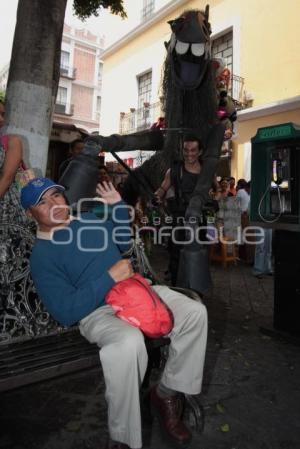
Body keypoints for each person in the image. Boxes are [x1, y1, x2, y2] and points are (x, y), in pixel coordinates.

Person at [20, 177, 208, 449]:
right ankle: (123, 438)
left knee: (194, 313)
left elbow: (121, 242)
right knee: (127, 342)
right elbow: (64, 311)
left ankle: (165, 393)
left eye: (56, 196)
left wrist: (118, 207)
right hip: (98, 311)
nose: (54, 204)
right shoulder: (42, 256)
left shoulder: (86, 220)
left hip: (135, 292)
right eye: (42, 202)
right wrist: (109, 278)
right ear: (30, 213)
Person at [155, 135, 203, 286]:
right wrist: (156, 196)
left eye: (193, 150)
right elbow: (163, 188)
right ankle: (178, 289)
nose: (189, 153)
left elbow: (216, 192)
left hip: (198, 220)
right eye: (186, 150)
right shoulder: (174, 170)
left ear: (200, 151)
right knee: (176, 255)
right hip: (179, 218)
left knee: (197, 255)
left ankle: (195, 287)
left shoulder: (206, 171)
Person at [0, 99, 29, 225]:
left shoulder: (12, 141)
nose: (1, 120)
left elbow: (7, 178)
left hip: (9, 208)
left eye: (2, 114)